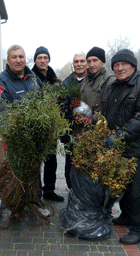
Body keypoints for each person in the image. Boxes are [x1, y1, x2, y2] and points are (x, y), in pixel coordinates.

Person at [102, 49, 140, 244]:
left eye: (123, 64)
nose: (119, 68)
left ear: (133, 65)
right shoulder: (114, 86)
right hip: (121, 147)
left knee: (139, 191)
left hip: (139, 148)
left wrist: (117, 137)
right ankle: (126, 216)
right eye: (115, 65)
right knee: (124, 187)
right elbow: (109, 113)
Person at [0, 44, 50, 217]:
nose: (18, 60)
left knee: (34, 168)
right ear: (8, 61)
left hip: (34, 136)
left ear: (26, 59)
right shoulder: (1, 81)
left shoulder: (33, 78)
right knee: (16, 169)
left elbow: (42, 103)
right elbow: (2, 112)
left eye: (21, 57)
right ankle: (16, 205)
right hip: (15, 137)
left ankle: (35, 202)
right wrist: (14, 134)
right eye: (14, 57)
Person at [31, 46, 64, 202]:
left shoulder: (55, 80)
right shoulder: (29, 79)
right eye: (39, 58)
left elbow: (63, 101)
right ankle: (35, 192)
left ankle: (49, 190)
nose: (43, 60)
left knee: (51, 159)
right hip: (34, 127)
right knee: (35, 160)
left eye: (45, 57)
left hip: (51, 128)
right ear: (35, 60)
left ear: (49, 59)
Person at [61, 52, 88, 189]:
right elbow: (61, 108)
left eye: (82, 61)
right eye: (76, 61)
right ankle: (72, 190)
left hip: (89, 131)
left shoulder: (92, 80)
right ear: (73, 64)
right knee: (70, 164)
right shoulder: (66, 83)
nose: (79, 64)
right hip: (71, 131)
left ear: (86, 63)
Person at [80, 46, 115, 120]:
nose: (92, 64)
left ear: (102, 62)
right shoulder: (84, 81)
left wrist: (91, 120)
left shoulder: (110, 81)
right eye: (89, 61)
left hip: (101, 127)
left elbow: (111, 109)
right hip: (84, 127)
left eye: (95, 60)